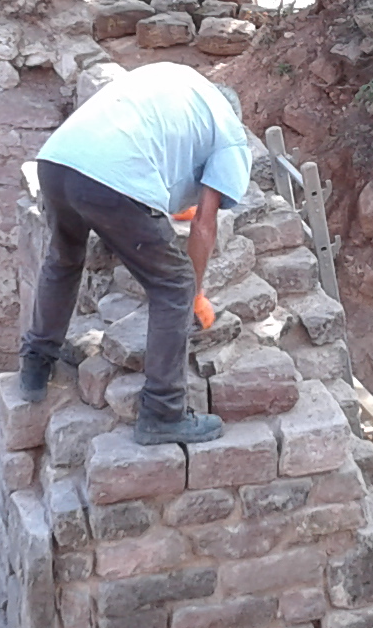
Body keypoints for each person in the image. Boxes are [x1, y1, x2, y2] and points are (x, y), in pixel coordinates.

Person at [19, 62, 250, 446]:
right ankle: (163, 412)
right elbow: (204, 225)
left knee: (64, 259)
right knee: (175, 285)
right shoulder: (229, 132)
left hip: (57, 161)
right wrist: (195, 293)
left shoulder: (175, 80)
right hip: (111, 180)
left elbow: (159, 157)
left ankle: (35, 366)